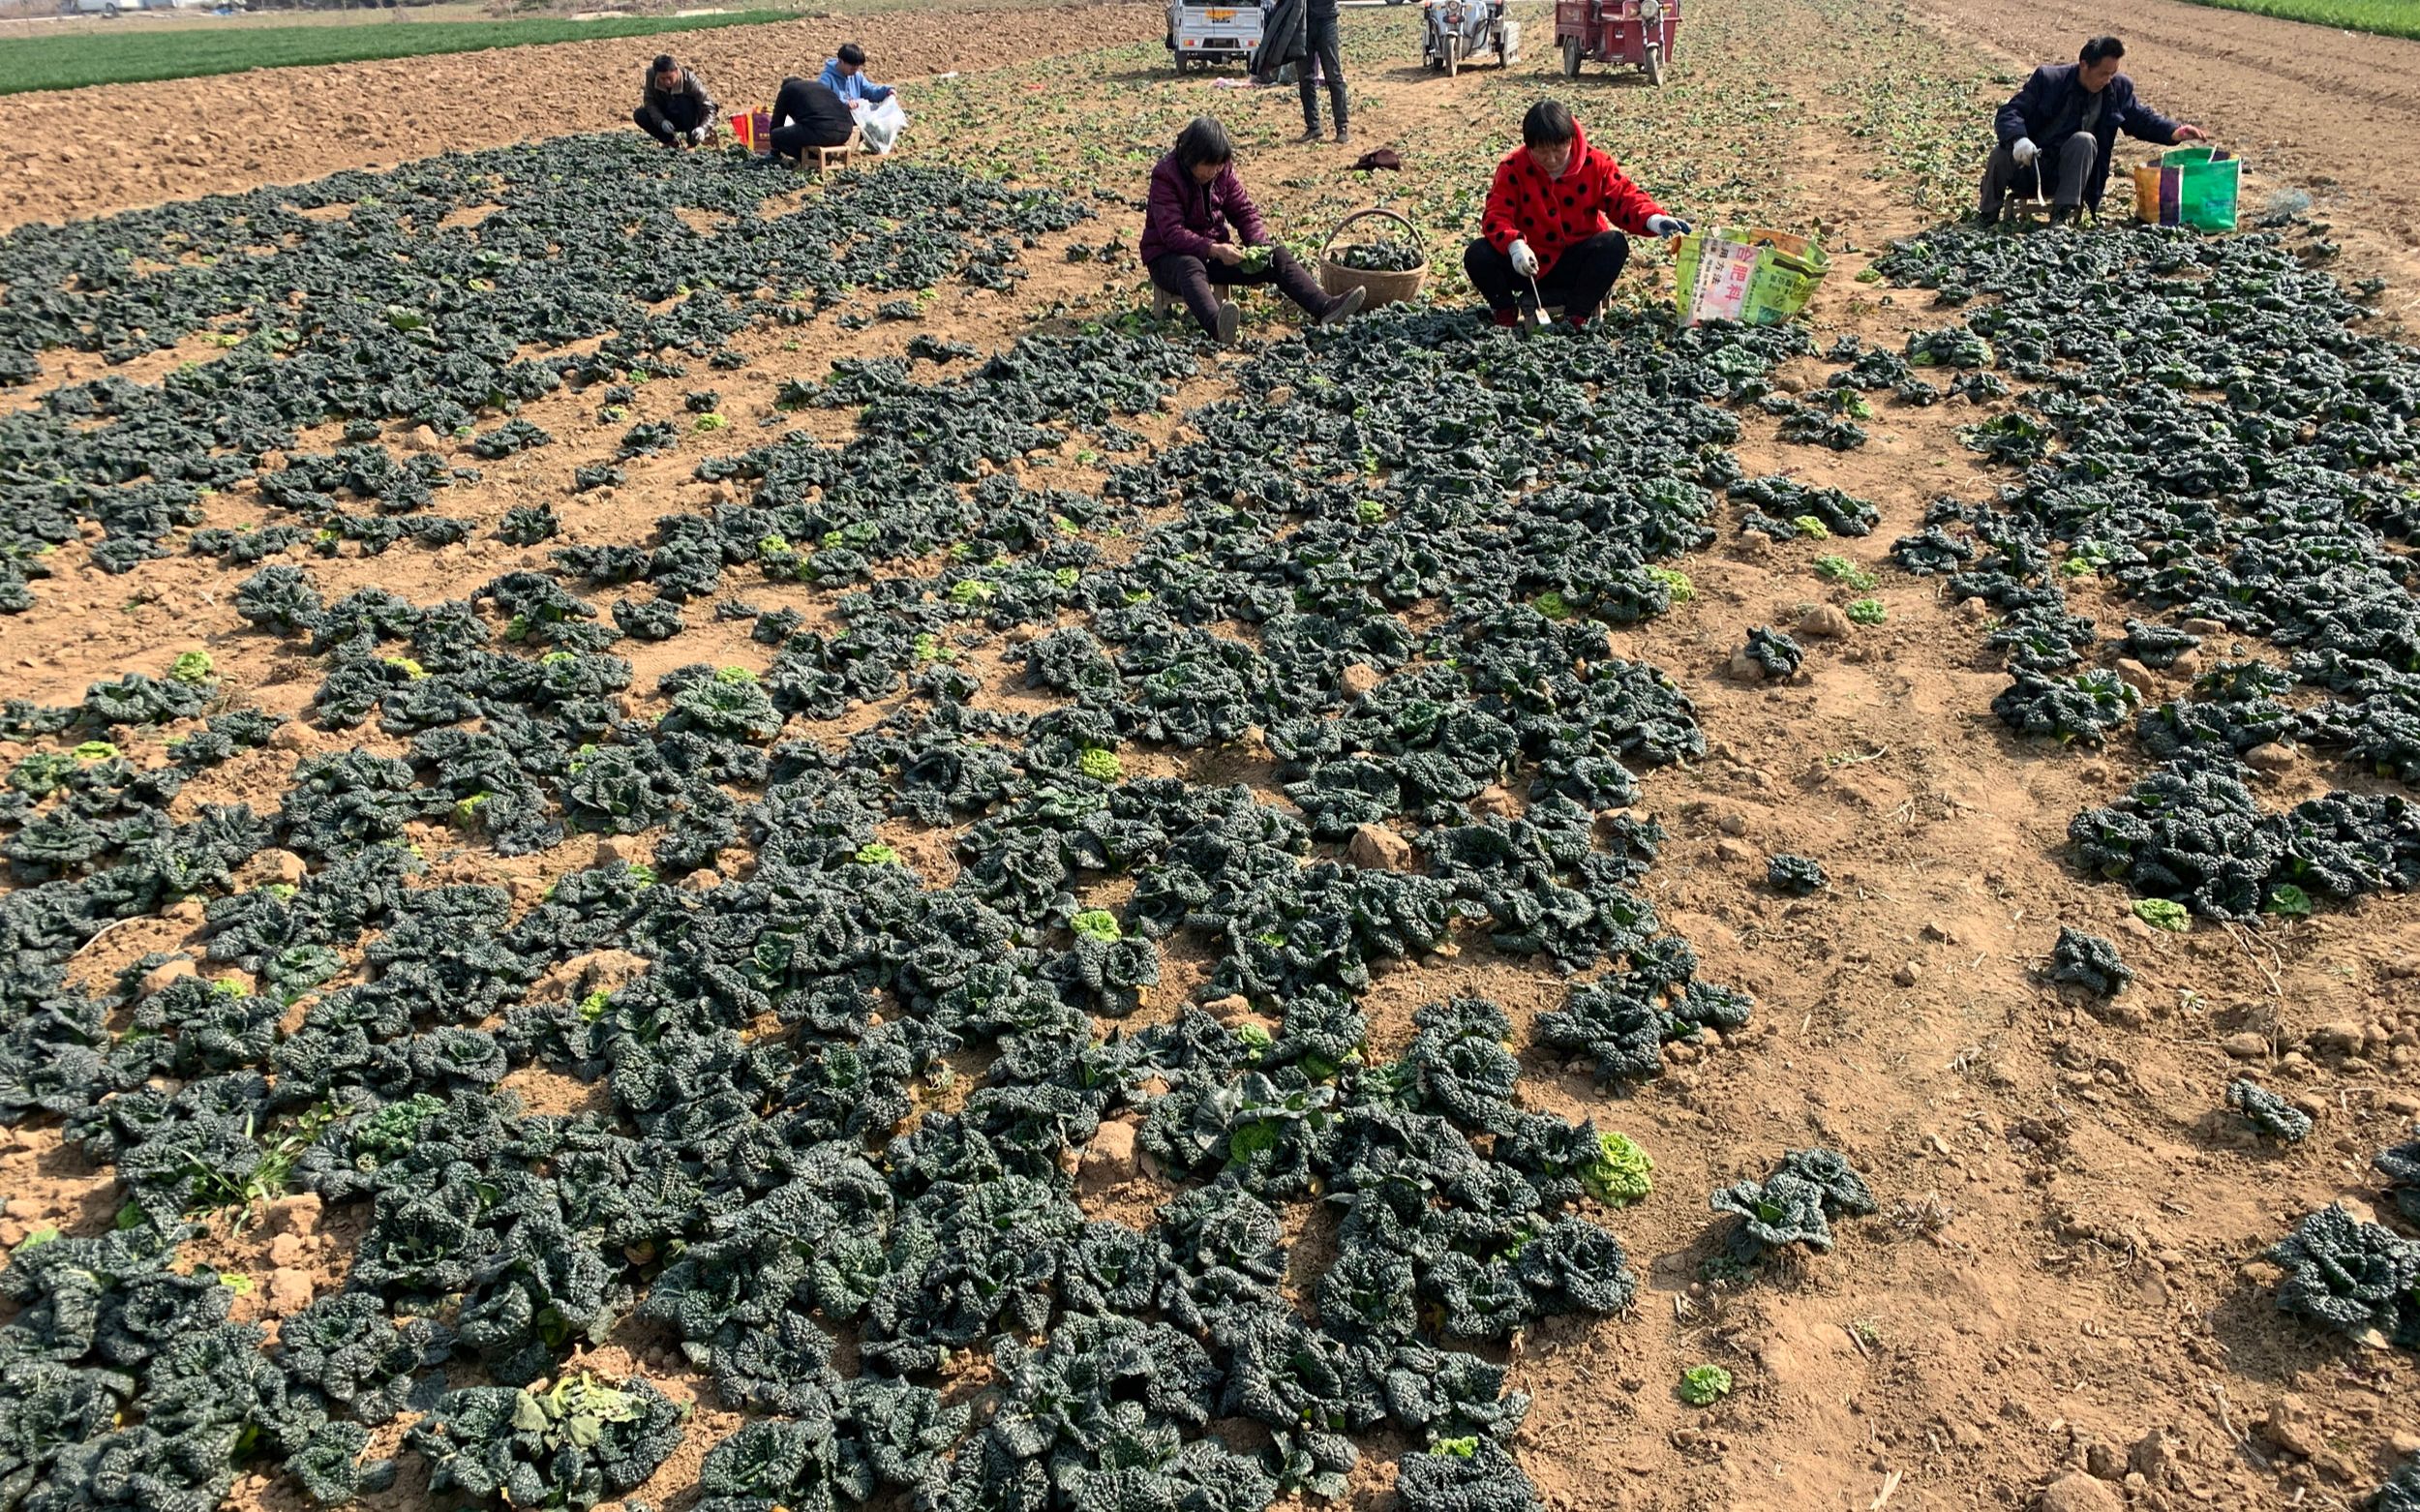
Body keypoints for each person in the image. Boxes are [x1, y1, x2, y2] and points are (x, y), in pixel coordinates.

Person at [1466, 100, 1689, 330]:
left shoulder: (1595, 163)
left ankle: (1577, 314)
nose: (1551, 159)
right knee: (1477, 254)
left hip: (1575, 261)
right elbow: (1496, 213)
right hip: (1528, 265)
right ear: (1529, 147)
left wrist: (1655, 219)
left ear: (1570, 140)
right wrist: (1515, 246)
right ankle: (1504, 309)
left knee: (1614, 244)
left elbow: (1624, 198)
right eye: (1542, 152)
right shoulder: (1512, 168)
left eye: (1558, 150)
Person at [1141, 116, 1366, 346]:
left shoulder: (1222, 171)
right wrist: (1213, 249)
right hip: (1167, 260)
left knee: (1276, 256)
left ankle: (1325, 307)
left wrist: (1258, 245)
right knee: (1191, 265)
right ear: (1192, 157)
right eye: (1210, 165)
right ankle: (1216, 325)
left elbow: (1244, 212)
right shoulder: (1166, 175)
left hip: (1214, 253)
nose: (1215, 170)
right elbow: (1172, 233)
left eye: (1220, 164)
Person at [1978, 35, 2206, 226]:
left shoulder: (2116, 88)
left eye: (2112, 74)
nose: (2108, 80)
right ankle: (1987, 215)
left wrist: (2173, 132)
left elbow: (2139, 117)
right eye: (2103, 74)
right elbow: (2009, 112)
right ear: (2084, 65)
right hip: (2032, 166)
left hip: (2072, 176)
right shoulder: (2049, 80)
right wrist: (2019, 139)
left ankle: (2063, 215)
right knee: (2000, 153)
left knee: (2084, 140)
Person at [766, 74, 855, 162]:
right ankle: (824, 157)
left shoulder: (786, 91)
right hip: (845, 131)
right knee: (806, 129)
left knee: (776, 136)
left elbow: (776, 122)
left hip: (822, 132)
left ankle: (813, 159)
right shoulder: (818, 87)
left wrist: (775, 151)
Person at [635, 54, 717, 149]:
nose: (667, 82)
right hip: (669, 116)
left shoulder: (690, 80)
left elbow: (709, 107)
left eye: (669, 77)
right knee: (640, 114)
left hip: (690, 118)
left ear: (676, 71)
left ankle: (691, 144)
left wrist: (703, 128)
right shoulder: (651, 75)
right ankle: (671, 142)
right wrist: (661, 121)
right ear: (656, 74)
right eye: (662, 79)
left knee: (684, 101)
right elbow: (650, 102)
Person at [1296, 0, 1347, 146]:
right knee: (1305, 77)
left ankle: (1342, 128)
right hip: (1304, 20)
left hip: (1327, 20)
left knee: (1333, 75)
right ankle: (1313, 127)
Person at [819, 43, 894, 106]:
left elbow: (869, 91)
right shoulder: (827, 79)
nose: (855, 71)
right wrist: (845, 104)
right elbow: (824, 100)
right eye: (852, 68)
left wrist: (886, 91)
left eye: (857, 67)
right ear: (841, 61)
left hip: (856, 117)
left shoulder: (857, 76)